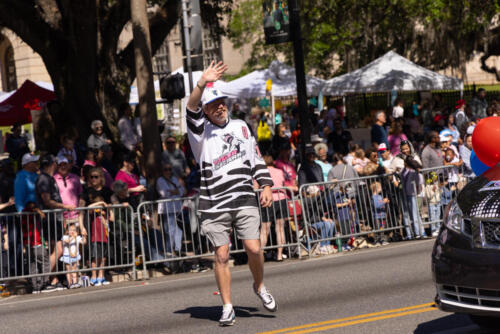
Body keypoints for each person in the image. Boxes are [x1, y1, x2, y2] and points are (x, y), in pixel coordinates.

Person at [186, 61, 276, 326]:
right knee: (222, 254)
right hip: (214, 202)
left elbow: (256, 157)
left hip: (244, 196)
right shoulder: (200, 134)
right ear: (206, 110)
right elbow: (190, 107)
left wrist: (266, 184)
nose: (220, 106)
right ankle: (227, 305)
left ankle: (259, 285)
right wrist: (202, 82)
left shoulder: (241, 126)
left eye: (222, 102)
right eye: (213, 104)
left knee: (253, 247)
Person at [36, 154, 77, 291]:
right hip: (49, 219)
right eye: (55, 163)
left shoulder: (49, 178)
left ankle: (52, 280)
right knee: (57, 250)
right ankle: (44, 279)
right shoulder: (43, 178)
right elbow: (46, 201)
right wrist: (65, 206)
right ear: (52, 164)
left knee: (56, 249)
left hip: (56, 218)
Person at [259, 155, 289, 262]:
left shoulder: (261, 173)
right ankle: (280, 255)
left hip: (267, 201)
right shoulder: (279, 171)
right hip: (281, 199)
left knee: (264, 230)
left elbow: (255, 188)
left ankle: (260, 255)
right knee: (280, 229)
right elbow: (283, 184)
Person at [20, 202, 51, 293]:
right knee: (44, 262)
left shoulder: (23, 215)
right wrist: (38, 211)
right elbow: (43, 216)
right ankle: (44, 284)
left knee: (33, 265)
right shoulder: (31, 214)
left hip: (28, 243)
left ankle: (36, 287)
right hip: (35, 243)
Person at [156, 163, 185, 256]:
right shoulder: (160, 180)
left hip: (176, 208)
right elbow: (164, 193)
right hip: (166, 209)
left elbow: (182, 191)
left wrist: (174, 191)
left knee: (177, 230)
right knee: (169, 230)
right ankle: (169, 250)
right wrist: (176, 191)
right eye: (166, 169)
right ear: (162, 171)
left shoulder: (174, 179)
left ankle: (176, 249)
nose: (168, 171)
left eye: (169, 169)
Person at [87, 196, 113, 286]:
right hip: (96, 237)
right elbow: (89, 207)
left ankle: (101, 277)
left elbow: (112, 219)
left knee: (103, 258)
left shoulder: (104, 214)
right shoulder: (94, 213)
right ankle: (93, 277)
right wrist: (99, 204)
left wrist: (109, 209)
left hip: (104, 238)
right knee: (95, 258)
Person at [54, 156, 82, 221]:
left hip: (75, 215)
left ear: (69, 165)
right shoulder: (52, 179)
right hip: (60, 217)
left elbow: (80, 194)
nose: (63, 167)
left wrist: (80, 210)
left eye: (65, 164)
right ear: (57, 167)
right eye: (60, 165)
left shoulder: (75, 177)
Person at [60, 222, 86, 289]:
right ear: (67, 231)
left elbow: (83, 242)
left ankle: (75, 283)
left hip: (75, 256)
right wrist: (73, 237)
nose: (72, 231)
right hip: (67, 256)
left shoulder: (77, 237)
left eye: (74, 230)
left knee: (74, 269)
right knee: (69, 270)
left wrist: (84, 236)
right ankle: (70, 283)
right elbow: (67, 241)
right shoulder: (64, 237)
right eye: (70, 230)